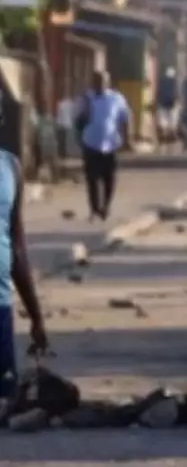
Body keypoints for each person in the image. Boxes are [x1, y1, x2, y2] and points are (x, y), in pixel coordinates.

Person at [0, 111, 49, 419]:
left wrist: (36, 317)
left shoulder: (10, 167)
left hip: (0, 306)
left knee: (6, 400)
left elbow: (18, 247)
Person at [75, 71, 130, 223]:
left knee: (109, 179)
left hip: (110, 144)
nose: (99, 84)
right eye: (96, 81)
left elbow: (124, 118)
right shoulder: (86, 98)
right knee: (92, 179)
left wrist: (127, 139)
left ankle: (106, 206)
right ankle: (94, 209)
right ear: (92, 83)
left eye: (102, 81)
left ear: (108, 82)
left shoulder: (116, 98)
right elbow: (78, 121)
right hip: (91, 144)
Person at [154, 66, 179, 147]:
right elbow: (176, 93)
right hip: (171, 103)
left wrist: (157, 100)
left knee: (164, 118)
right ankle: (170, 133)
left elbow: (158, 92)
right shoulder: (174, 82)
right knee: (171, 118)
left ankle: (165, 134)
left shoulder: (162, 81)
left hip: (163, 102)